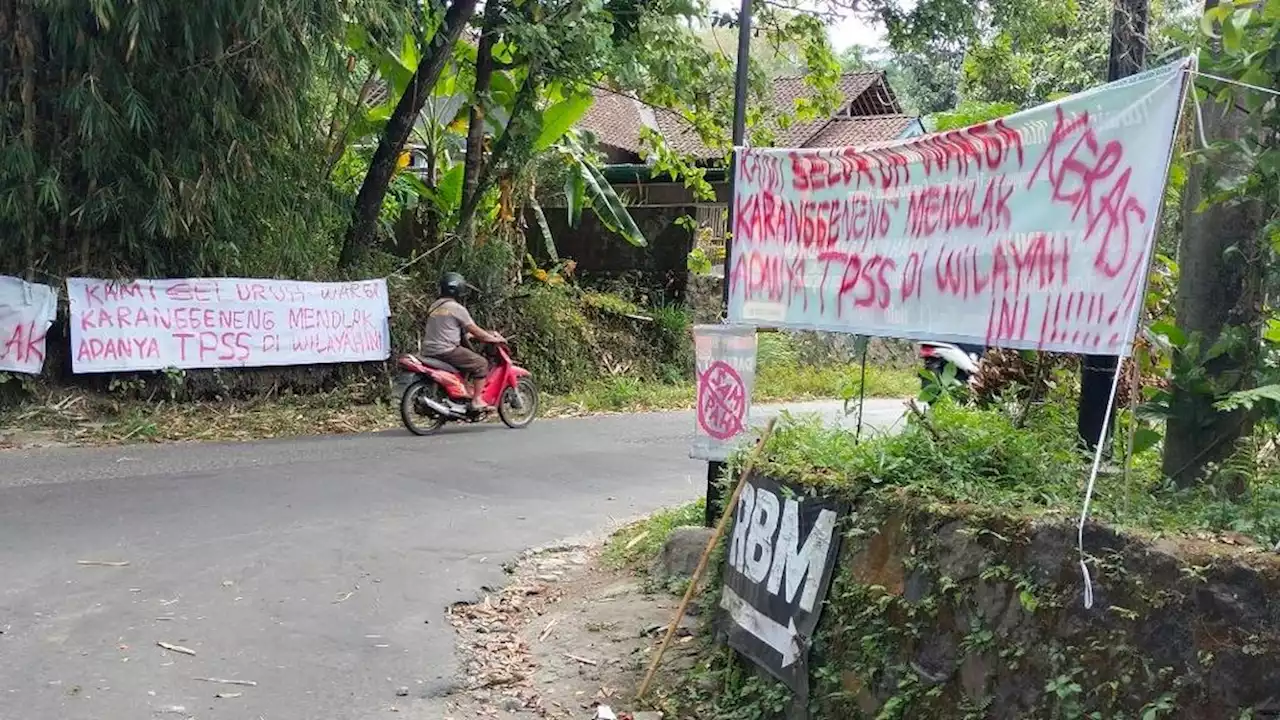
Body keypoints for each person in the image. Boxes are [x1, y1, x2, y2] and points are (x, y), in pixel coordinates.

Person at [422, 272, 505, 411]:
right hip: (446, 350)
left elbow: (454, 330)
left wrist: (485, 334)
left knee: (466, 360)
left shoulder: (434, 306)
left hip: (429, 351)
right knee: (480, 363)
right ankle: (477, 400)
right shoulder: (456, 308)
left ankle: (463, 394)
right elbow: (475, 330)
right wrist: (492, 338)